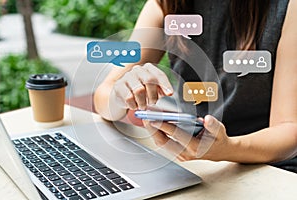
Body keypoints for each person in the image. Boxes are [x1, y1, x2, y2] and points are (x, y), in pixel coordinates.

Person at [94, 0, 297, 173]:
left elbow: (289, 129)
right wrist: (121, 95)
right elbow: (104, 95)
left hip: (269, 168)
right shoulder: (166, 4)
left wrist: (228, 149)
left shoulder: (288, 7)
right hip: (198, 165)